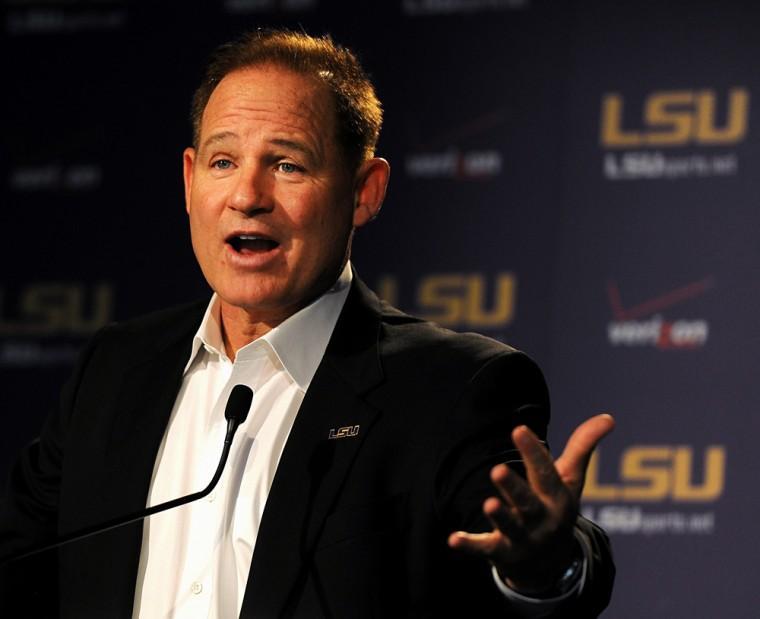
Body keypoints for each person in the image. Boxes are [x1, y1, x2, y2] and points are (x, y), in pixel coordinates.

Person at [0, 29, 615, 618]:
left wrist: (545, 566)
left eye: (288, 165)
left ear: (365, 191)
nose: (247, 194)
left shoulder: (454, 388)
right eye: (222, 161)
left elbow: (541, 561)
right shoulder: (115, 371)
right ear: (189, 182)